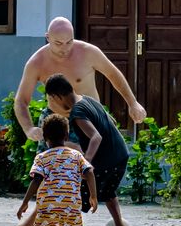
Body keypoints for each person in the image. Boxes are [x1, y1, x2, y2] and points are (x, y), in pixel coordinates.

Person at [13, 17, 146, 142]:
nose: (65, 49)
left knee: (102, 162)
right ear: (48, 38)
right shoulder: (36, 63)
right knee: (51, 165)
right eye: (58, 43)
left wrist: (132, 103)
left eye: (69, 42)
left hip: (91, 117)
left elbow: (113, 74)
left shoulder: (88, 52)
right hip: (58, 122)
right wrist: (28, 129)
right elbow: (21, 100)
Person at [45, 73, 132, 226]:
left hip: (105, 160)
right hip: (120, 154)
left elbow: (96, 137)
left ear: (57, 96)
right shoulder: (88, 100)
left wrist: (87, 162)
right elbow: (111, 120)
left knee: (75, 197)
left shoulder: (77, 112)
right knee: (108, 192)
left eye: (52, 99)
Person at [10, 114, 95, 226]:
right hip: (71, 209)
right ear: (66, 135)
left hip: (47, 210)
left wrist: (25, 203)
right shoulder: (76, 155)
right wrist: (93, 197)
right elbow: (89, 172)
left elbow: (36, 180)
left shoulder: (42, 157)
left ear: (45, 138)